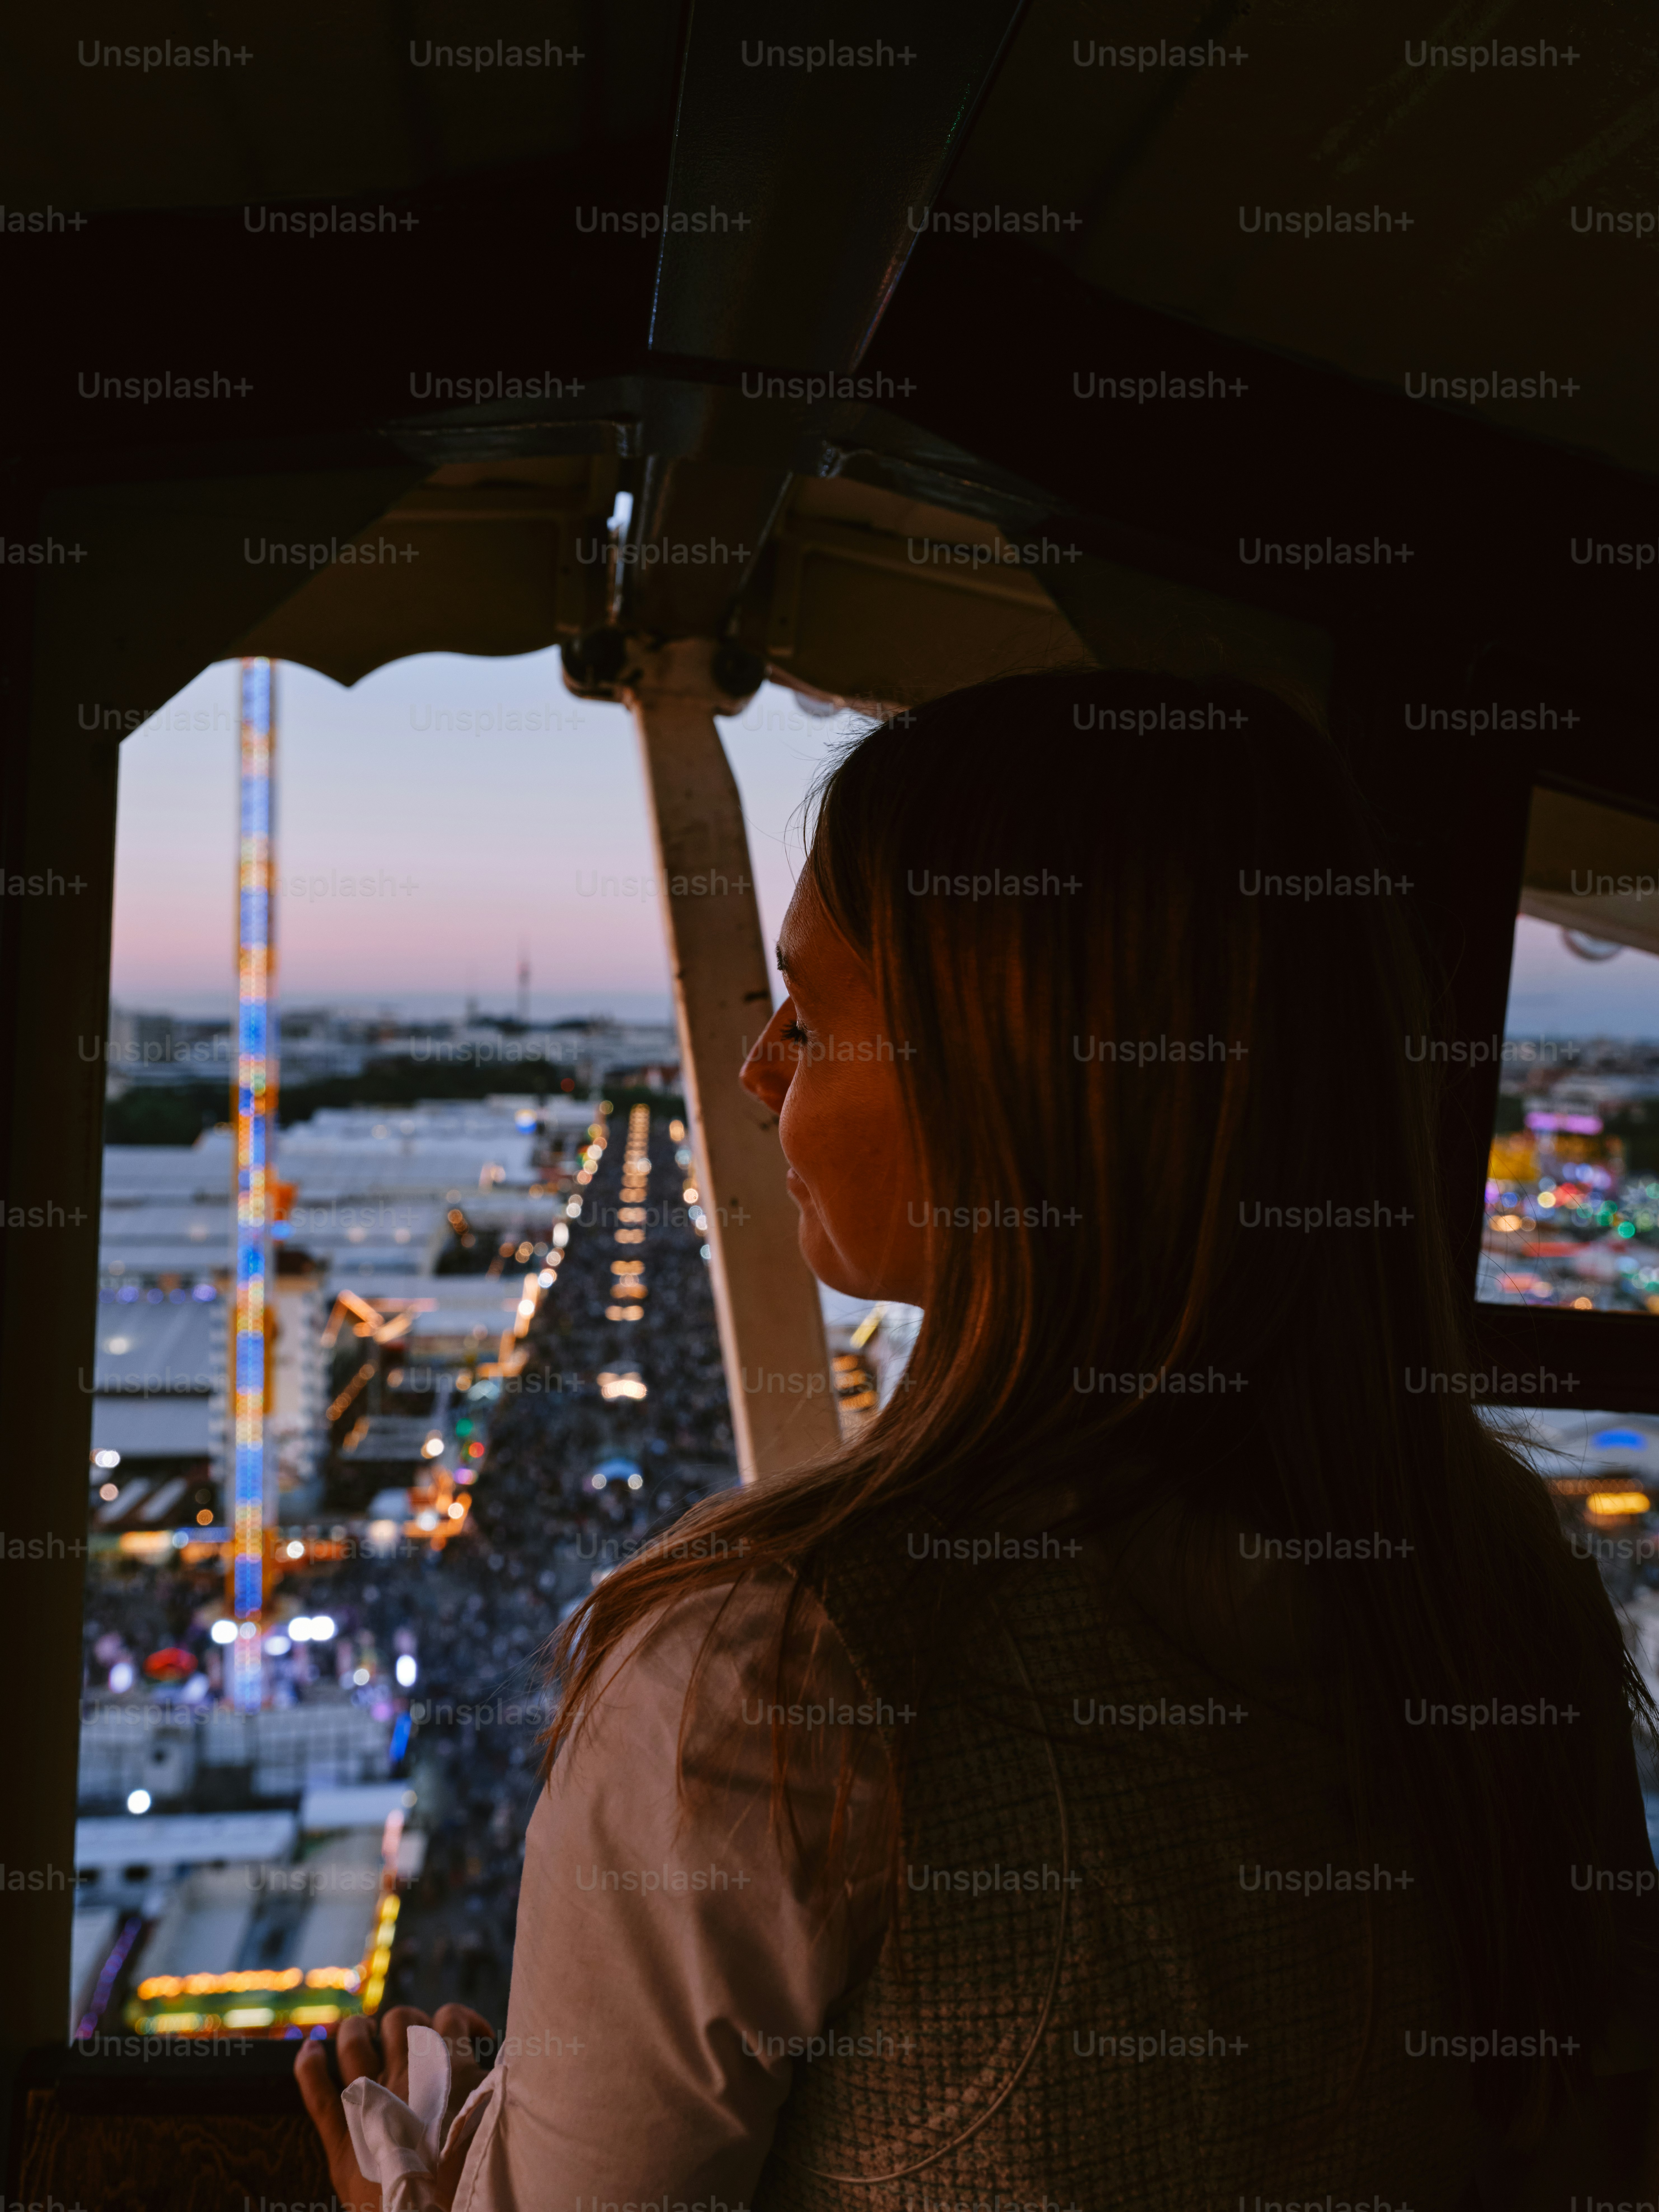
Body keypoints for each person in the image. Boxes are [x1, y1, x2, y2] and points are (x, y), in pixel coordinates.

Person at [301, 668, 1659, 2211]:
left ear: (1005, 1090)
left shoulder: (763, 1679)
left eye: (810, 1017)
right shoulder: (1501, 1590)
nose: (755, 1073)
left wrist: (404, 2194)